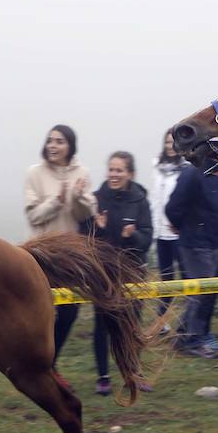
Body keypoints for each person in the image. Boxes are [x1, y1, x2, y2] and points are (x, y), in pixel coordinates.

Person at [24, 125, 97, 367]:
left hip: (70, 255)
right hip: (41, 253)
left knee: (69, 311)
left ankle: (49, 364)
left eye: (59, 141)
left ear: (70, 146)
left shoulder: (82, 172)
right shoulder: (35, 173)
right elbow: (33, 216)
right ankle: (37, 362)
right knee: (41, 311)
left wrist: (77, 197)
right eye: (50, 141)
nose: (53, 146)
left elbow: (86, 214)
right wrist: (56, 201)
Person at [91, 151, 152, 395]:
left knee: (132, 325)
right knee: (102, 325)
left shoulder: (140, 200)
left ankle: (133, 373)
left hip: (133, 271)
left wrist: (133, 235)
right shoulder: (96, 199)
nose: (114, 174)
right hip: (104, 272)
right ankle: (103, 377)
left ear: (130, 174)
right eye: (111, 170)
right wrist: (100, 229)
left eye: (120, 170)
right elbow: (87, 241)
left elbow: (147, 239)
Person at [164, 153, 218, 358]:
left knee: (202, 293)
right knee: (200, 294)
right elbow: (173, 207)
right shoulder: (192, 173)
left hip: (212, 242)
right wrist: (185, 226)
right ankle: (192, 341)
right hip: (195, 243)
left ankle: (184, 336)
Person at [150, 131, 188, 320]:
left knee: (187, 278)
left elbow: (188, 201)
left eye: (173, 142)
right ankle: (162, 321)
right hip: (160, 233)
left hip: (178, 233)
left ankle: (188, 321)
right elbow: (155, 199)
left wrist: (181, 224)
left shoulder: (186, 169)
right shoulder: (156, 166)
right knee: (166, 279)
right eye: (166, 142)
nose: (170, 146)